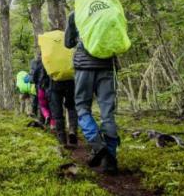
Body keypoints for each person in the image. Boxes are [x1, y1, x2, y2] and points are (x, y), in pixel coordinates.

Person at [65, 11, 119, 175]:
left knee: (82, 107)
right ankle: (110, 160)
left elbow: (68, 43)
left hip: (84, 67)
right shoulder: (108, 12)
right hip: (107, 66)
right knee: (107, 114)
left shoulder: (76, 14)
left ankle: (97, 145)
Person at [45, 63, 78, 148]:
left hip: (54, 82)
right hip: (70, 80)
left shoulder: (50, 51)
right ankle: (72, 129)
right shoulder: (69, 49)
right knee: (71, 106)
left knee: (57, 111)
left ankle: (62, 139)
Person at [30, 54, 54, 129]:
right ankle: (52, 124)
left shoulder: (39, 65)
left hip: (40, 87)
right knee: (52, 106)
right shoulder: (52, 64)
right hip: (51, 87)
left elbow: (34, 77)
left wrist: (36, 83)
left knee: (42, 106)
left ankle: (45, 117)